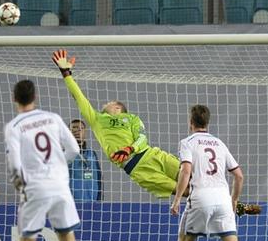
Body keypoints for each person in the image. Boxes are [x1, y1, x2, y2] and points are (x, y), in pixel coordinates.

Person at [4, 79, 93, 241]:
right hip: (61, 187)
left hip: (34, 187)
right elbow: (74, 148)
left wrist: (22, 187)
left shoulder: (14, 127)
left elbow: (15, 164)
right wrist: (59, 169)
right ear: (35, 97)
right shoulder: (53, 118)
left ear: (15, 98)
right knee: (69, 240)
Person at [52, 49, 181, 199]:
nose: (106, 103)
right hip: (136, 169)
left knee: (191, 175)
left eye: (110, 103)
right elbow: (79, 98)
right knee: (182, 190)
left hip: (152, 154)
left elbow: (142, 138)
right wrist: (66, 74)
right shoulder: (97, 119)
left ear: (118, 108)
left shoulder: (132, 118)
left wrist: (130, 148)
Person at [170, 105, 266, 241]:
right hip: (222, 198)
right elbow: (239, 175)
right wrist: (234, 200)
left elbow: (186, 170)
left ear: (191, 122)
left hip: (201, 197)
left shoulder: (187, 142)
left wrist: (178, 198)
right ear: (207, 122)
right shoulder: (219, 144)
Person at [69, 119, 102, 201]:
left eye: (81, 128)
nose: (77, 131)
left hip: (91, 203)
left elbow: (98, 178)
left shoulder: (92, 154)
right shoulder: (63, 154)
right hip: (71, 204)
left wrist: (99, 201)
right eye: (74, 128)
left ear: (85, 132)